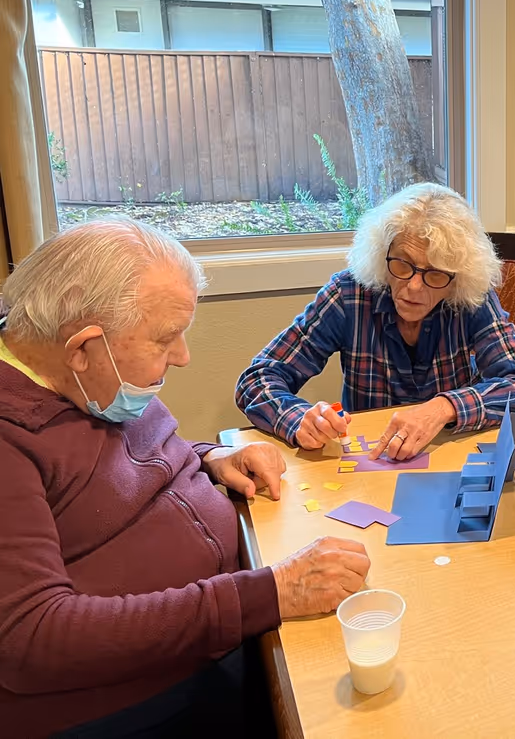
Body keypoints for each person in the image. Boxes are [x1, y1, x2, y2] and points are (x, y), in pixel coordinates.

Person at [0, 220, 371, 739]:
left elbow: (123, 463)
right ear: (82, 347)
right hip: (141, 702)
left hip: (223, 631)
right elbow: (30, 640)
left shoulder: (83, 379)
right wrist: (271, 593)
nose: (183, 356)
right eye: (166, 338)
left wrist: (209, 457)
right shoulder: (13, 437)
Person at [236, 183, 515, 461]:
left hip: (450, 455)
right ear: (381, 254)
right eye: (402, 264)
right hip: (367, 458)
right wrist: (299, 418)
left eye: (435, 273)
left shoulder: (471, 299)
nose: (413, 287)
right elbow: (257, 379)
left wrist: (442, 408)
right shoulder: (348, 295)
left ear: (457, 279)